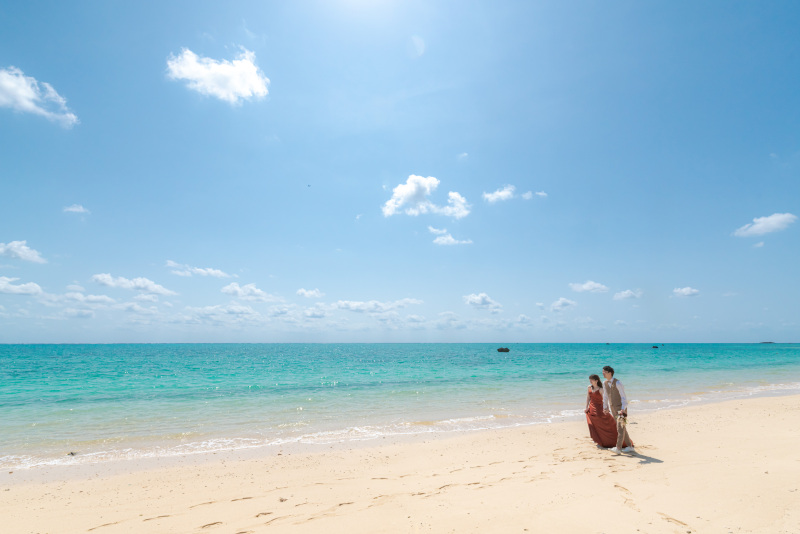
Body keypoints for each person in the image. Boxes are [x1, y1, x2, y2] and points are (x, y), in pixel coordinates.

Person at [602, 365, 634, 453]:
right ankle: (630, 446)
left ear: (610, 373)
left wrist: (623, 409)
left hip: (621, 408)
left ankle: (618, 448)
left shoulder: (618, 383)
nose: (603, 373)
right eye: (603, 372)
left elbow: (624, 397)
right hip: (613, 408)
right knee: (622, 427)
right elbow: (605, 396)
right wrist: (605, 407)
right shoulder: (604, 383)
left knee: (619, 427)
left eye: (604, 372)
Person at [584, 374, 619, 448]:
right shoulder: (589, 387)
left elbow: (605, 400)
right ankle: (596, 438)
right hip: (591, 408)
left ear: (596, 380)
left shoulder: (601, 389)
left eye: (592, 380)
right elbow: (588, 397)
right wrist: (586, 407)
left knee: (602, 424)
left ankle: (608, 439)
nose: (590, 381)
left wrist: (606, 408)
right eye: (590, 379)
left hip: (599, 408)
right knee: (592, 424)